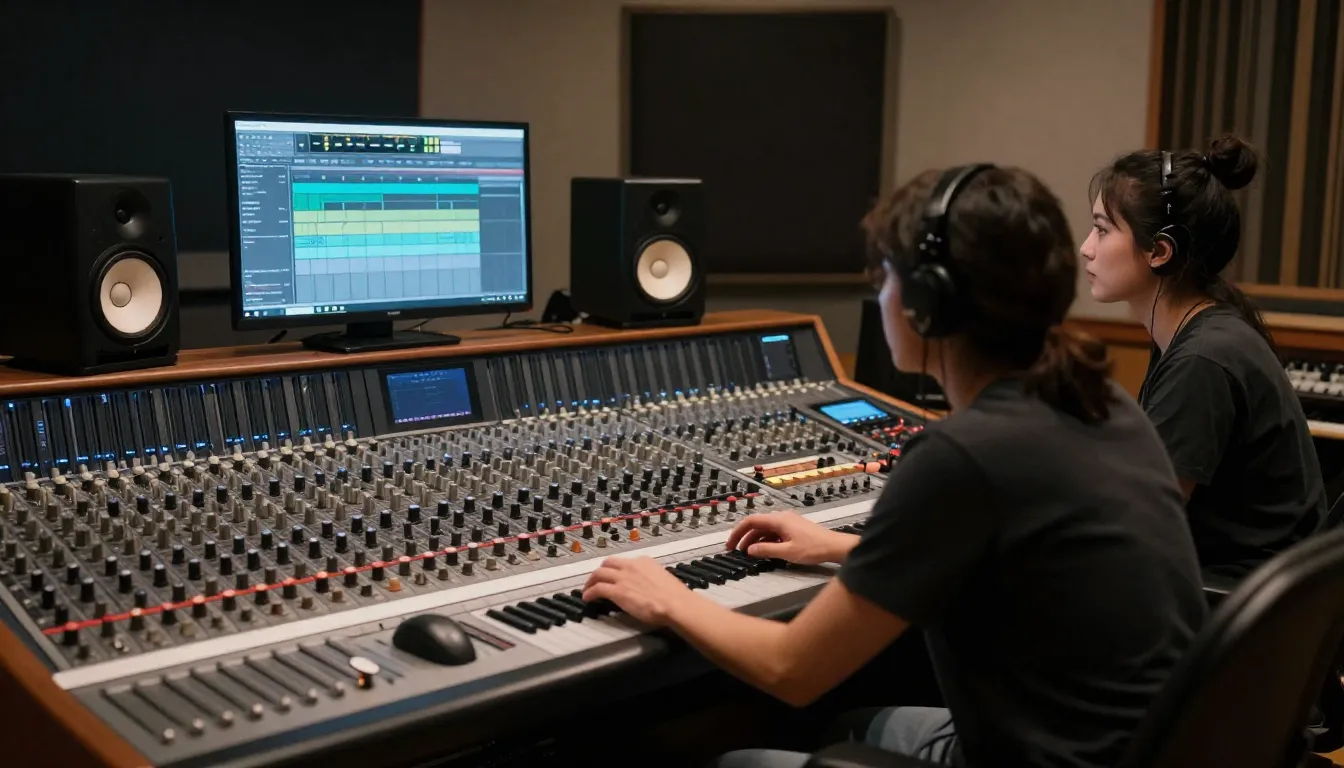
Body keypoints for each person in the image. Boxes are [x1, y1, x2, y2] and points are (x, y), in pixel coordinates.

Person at [582, 164, 1207, 767]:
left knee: (732, 760)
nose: (881, 296)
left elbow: (791, 669)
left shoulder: (962, 456)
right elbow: (1008, 559)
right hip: (1143, 748)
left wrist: (670, 599)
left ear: (927, 302)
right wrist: (842, 547)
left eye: (886, 278)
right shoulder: (1100, 401)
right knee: (846, 726)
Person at [1080, 134, 1326, 579]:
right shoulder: (1200, 330)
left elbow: (1142, 519)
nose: (1086, 247)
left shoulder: (1202, 358)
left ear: (1160, 251)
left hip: (1235, 595)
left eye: (1101, 229)